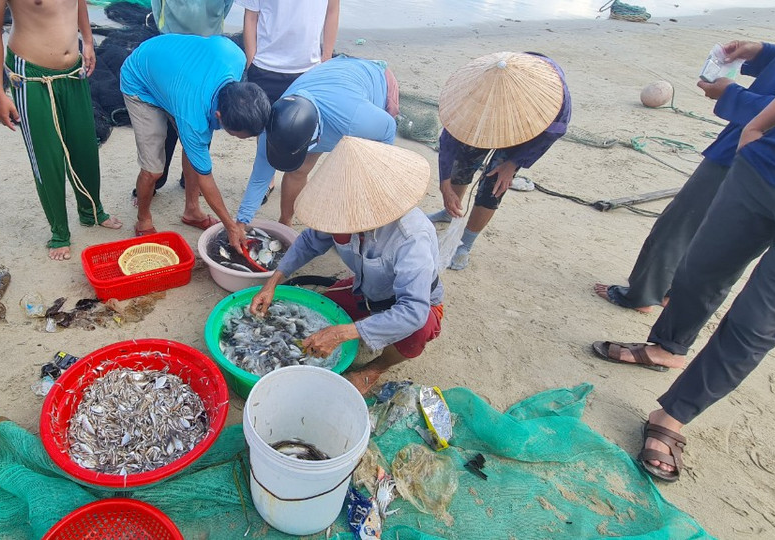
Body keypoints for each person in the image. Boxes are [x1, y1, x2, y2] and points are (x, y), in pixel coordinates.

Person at [591, 41, 775, 483]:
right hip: (769, 165)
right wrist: (758, 123)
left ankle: (672, 416)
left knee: (757, 320)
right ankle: (665, 348)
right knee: (698, 272)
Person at [595, 2, 775, 312]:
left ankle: (644, 295)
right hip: (756, 141)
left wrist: (732, 96)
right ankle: (667, 291)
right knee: (705, 227)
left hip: (762, 147)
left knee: (684, 221)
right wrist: (760, 52)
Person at [249, 137, 444, 395]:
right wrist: (272, 282)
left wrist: (341, 334)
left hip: (414, 304)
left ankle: (375, 368)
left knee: (418, 330)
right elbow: (309, 240)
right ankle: (358, 321)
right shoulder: (338, 211)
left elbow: (413, 310)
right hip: (365, 289)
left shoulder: (412, 236)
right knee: (318, 311)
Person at [0, 0, 122, 261]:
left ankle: (91, 211)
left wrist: (87, 41)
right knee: (47, 156)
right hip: (31, 76)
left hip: (73, 70)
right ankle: (59, 232)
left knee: (84, 146)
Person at [119, 33, 270, 252]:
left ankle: (192, 211)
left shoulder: (237, 58)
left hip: (174, 76)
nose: (242, 139)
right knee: (153, 170)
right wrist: (231, 226)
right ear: (219, 116)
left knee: (195, 150)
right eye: (238, 135)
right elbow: (205, 178)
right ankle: (143, 219)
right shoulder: (194, 118)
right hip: (141, 80)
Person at [428, 52, 570, 271]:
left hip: (526, 125)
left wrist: (513, 164)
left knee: (494, 184)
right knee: (462, 163)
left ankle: (465, 244)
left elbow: (551, 134)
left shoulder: (552, 103)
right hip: (481, 114)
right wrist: (445, 185)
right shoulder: (469, 98)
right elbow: (449, 141)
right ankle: (449, 212)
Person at [235, 56, 400, 227]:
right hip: (332, 79)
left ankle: (359, 228)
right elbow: (259, 179)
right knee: (298, 171)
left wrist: (378, 172)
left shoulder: (356, 120)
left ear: (317, 139)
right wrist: (242, 222)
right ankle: (285, 223)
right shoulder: (273, 124)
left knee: (358, 178)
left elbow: (388, 127)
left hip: (378, 83)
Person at [239, 0, 340, 105]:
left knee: (306, 120)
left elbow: (332, 9)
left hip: (309, 70)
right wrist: (252, 62)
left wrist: (326, 58)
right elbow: (251, 15)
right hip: (264, 67)